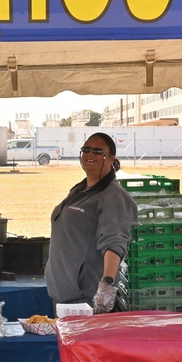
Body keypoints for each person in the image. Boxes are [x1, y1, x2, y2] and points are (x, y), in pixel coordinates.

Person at [45, 132, 137, 314]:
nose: (90, 154)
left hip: (84, 299)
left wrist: (107, 287)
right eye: (86, 150)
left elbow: (114, 243)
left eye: (98, 151)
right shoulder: (81, 189)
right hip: (62, 293)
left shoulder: (114, 197)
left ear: (111, 158)